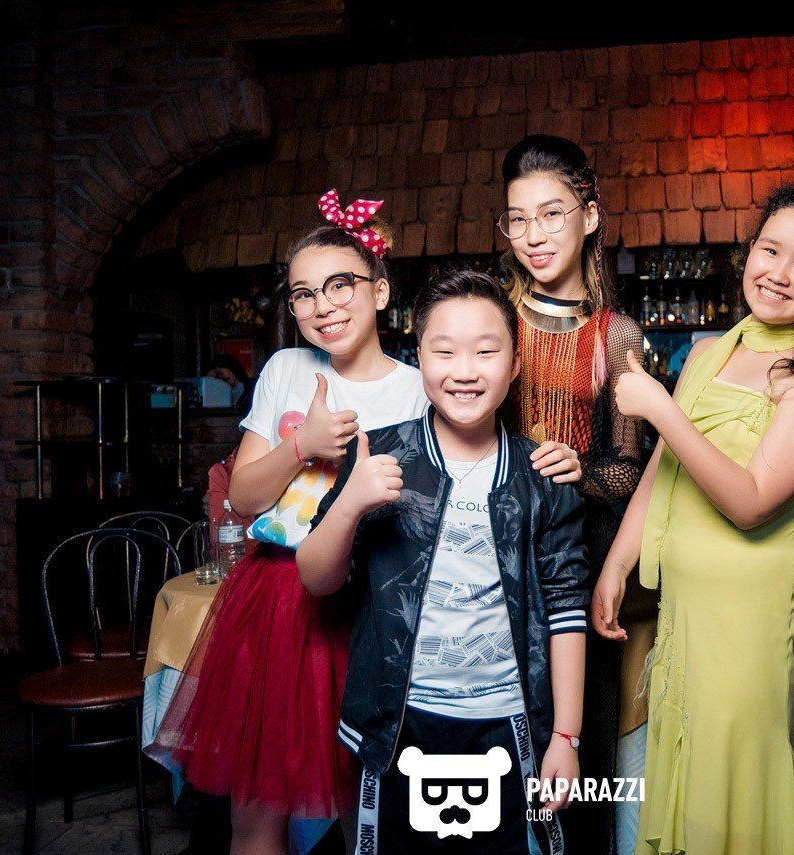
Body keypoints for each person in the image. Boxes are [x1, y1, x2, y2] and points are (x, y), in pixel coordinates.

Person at [594, 177, 794, 854]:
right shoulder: (712, 350)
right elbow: (665, 467)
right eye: (770, 249)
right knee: (691, 775)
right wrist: (617, 561)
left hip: (750, 621)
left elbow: (751, 502)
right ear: (749, 250)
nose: (779, 272)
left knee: (736, 790)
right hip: (686, 609)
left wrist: (659, 407)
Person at [150, 190, 428, 855]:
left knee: (370, 810)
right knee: (256, 813)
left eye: (340, 284)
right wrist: (303, 445)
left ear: (380, 291)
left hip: (373, 605)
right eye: (304, 293)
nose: (322, 305)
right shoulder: (285, 369)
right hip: (276, 604)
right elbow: (244, 498)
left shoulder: (419, 387)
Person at [299, 271, 589, 853]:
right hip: (399, 719)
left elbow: (565, 609)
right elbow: (317, 579)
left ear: (515, 363)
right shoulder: (379, 452)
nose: (465, 370)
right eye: (444, 350)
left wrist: (567, 736)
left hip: (510, 720)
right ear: (419, 357)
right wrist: (350, 503)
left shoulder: (542, 473)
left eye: (486, 351)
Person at [498, 133, 645, 854]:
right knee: (498, 737)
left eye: (552, 213)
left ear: (589, 215)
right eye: (518, 219)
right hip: (496, 551)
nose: (534, 235)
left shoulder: (617, 336)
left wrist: (577, 469)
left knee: (582, 741)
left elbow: (630, 470)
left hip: (584, 560)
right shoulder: (492, 318)